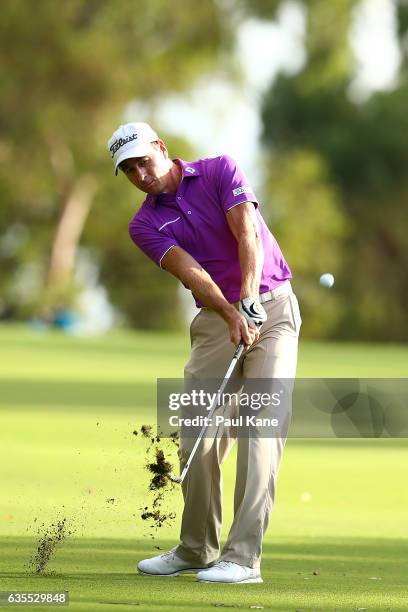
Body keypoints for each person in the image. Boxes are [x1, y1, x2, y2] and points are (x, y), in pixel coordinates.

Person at [107, 122, 301, 584]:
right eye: (129, 170)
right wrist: (231, 313)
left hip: (271, 310)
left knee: (259, 432)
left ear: (162, 148)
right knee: (197, 431)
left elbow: (247, 234)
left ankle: (243, 558)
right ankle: (196, 548)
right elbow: (190, 272)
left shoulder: (219, 171)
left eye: (143, 161)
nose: (140, 174)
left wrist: (249, 299)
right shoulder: (144, 224)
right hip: (215, 321)